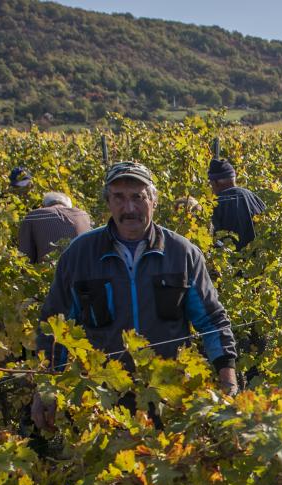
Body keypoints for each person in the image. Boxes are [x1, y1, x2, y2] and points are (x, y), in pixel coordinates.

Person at [31, 161, 238, 430]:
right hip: (104, 401)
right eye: (119, 197)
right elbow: (54, 327)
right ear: (108, 202)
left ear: (153, 200)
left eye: (138, 197)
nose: (129, 208)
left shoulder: (181, 253)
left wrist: (228, 380)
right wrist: (46, 389)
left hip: (171, 398)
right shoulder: (79, 256)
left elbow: (212, 321)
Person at [16, 191, 94, 264]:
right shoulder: (84, 215)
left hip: (50, 272)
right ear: (68, 206)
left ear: (44, 205)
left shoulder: (34, 216)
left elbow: (25, 256)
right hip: (84, 270)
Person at [208, 158, 266, 250]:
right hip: (258, 260)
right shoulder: (254, 197)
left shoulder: (215, 204)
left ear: (215, 182)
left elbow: (211, 239)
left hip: (227, 262)